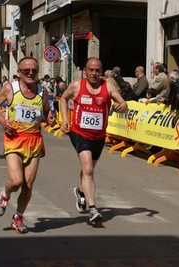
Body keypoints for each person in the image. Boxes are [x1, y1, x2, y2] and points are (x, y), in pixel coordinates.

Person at [0, 57, 56, 234]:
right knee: (16, 181)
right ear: (19, 72)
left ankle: (18, 218)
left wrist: (49, 118)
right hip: (14, 139)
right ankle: (4, 194)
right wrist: (3, 122)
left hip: (34, 141)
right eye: (26, 70)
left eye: (34, 70)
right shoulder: (10, 88)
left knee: (28, 184)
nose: (31, 73)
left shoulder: (43, 91)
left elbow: (46, 112)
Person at [60, 57, 128, 223]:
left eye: (97, 70)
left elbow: (125, 105)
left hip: (99, 135)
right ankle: (93, 209)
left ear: (102, 72)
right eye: (91, 70)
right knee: (88, 169)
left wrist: (122, 106)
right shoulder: (77, 86)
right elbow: (63, 98)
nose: (94, 73)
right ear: (85, 70)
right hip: (79, 132)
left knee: (88, 169)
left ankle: (82, 191)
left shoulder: (109, 87)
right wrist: (64, 119)